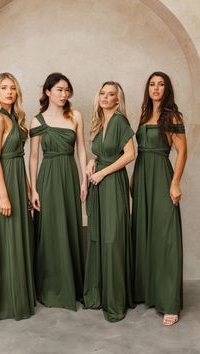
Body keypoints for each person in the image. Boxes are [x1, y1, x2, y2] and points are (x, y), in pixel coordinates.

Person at [131, 71, 187, 326]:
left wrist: (175, 182)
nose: (156, 88)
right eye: (152, 84)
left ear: (167, 89)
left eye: (161, 84)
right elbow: (138, 152)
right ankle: (148, 293)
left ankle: (169, 302)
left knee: (166, 239)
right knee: (145, 234)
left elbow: (182, 152)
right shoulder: (143, 116)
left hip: (162, 178)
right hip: (142, 178)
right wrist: (133, 180)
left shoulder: (172, 116)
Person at [29, 72, 87, 311]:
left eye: (66, 90)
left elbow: (82, 150)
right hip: (48, 178)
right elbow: (33, 158)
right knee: (50, 230)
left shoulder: (75, 116)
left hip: (70, 175)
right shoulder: (37, 121)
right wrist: (33, 189)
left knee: (70, 226)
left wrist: (84, 180)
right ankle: (51, 287)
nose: (64, 94)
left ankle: (72, 285)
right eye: (59, 90)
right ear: (48, 92)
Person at [0, 72, 35, 325]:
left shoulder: (15, 118)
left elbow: (18, 159)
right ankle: (1, 304)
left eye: (13, 88)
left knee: (17, 241)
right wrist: (4, 195)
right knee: (3, 243)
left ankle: (17, 300)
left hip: (15, 183)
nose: (9, 92)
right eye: (4, 88)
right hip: (2, 188)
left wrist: (26, 190)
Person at [83, 81, 135, 322]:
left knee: (113, 239)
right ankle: (99, 295)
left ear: (118, 99)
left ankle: (115, 301)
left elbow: (130, 154)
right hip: (98, 186)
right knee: (99, 237)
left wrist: (103, 172)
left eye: (111, 94)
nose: (105, 97)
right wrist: (94, 160)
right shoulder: (99, 122)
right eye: (102, 93)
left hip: (112, 184)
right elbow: (103, 151)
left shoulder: (120, 121)